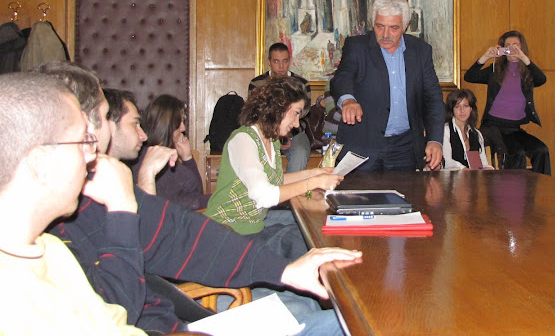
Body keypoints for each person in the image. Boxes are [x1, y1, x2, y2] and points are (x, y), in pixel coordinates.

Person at [37, 61, 361, 334]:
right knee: (340, 320)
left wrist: (283, 271)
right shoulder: (52, 238)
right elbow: (119, 308)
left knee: (316, 294)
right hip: (208, 278)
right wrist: (123, 208)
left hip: (188, 310)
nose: (140, 134)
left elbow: (180, 232)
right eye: (101, 122)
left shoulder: (88, 199)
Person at [0, 72, 144, 335]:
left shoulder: (52, 250)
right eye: (82, 142)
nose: (92, 155)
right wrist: (123, 206)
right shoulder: (8, 295)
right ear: (40, 162)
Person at [206, 76, 342, 235]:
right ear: (278, 107)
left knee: (313, 222)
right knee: (303, 233)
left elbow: (274, 180)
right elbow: (264, 195)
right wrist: (313, 183)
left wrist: (313, 173)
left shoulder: (272, 141)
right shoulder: (243, 139)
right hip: (226, 232)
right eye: (296, 113)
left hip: (254, 227)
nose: (297, 124)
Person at [330, 0, 445, 171]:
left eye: (393, 28)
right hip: (362, 144)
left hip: (404, 148)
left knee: (405, 190)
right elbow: (343, 76)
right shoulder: (357, 46)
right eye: (380, 26)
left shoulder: (421, 51)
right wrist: (348, 100)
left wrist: (435, 140)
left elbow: (433, 98)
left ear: (405, 26)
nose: (385, 35)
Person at [463, 30, 551, 175]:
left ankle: (542, 185)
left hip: (515, 128)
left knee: (541, 150)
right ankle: (515, 188)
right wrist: (486, 56)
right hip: (494, 126)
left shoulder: (527, 73)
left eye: (515, 45)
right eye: (507, 45)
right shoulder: (495, 70)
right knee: (517, 153)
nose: (511, 48)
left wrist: (523, 58)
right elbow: (470, 76)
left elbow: (541, 79)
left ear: (522, 48)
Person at [125, 93, 210, 210]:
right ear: (166, 125)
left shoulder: (167, 155)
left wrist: (187, 158)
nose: (183, 128)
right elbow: (171, 203)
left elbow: (195, 192)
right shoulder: (150, 160)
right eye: (179, 122)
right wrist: (215, 199)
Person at [250, 42, 313, 173]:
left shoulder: (301, 84)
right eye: (276, 61)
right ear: (269, 62)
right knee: (256, 151)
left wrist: (288, 135)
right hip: (265, 132)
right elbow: (254, 115)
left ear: (289, 61)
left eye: (285, 61)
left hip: (295, 132)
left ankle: (293, 185)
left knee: (300, 151)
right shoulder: (257, 84)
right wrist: (275, 134)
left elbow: (304, 116)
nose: (281, 66)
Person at [442, 89, 493, 170]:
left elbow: (482, 164)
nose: (462, 110)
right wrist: (464, 169)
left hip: (473, 176)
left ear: (471, 109)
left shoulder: (476, 134)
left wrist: (488, 168)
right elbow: (447, 162)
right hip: (451, 177)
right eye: (457, 106)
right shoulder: (445, 131)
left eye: (466, 106)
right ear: (452, 109)